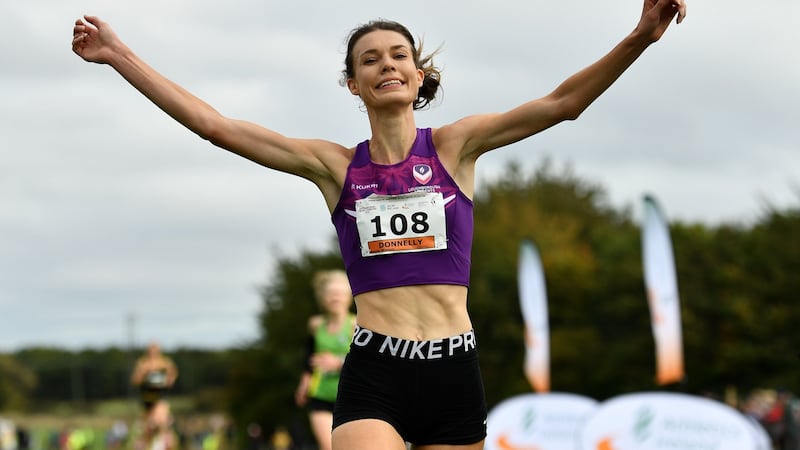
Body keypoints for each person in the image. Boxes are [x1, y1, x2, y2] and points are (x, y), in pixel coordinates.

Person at [72, 1, 687, 448]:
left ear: (418, 76)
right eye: (370, 60)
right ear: (353, 83)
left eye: (399, 56)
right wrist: (119, 55)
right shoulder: (335, 167)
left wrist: (640, 37)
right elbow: (218, 127)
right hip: (376, 371)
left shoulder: (455, 148)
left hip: (454, 371)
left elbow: (563, 104)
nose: (386, 65)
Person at [294, 270, 356, 450]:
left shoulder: (356, 324)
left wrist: (338, 363)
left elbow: (367, 361)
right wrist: (304, 382)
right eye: (330, 293)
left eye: (339, 293)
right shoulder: (315, 324)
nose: (335, 297)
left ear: (349, 296)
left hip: (350, 396)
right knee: (329, 446)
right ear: (322, 298)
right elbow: (309, 357)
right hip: (320, 394)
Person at [130, 341, 179, 448]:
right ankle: (142, 445)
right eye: (151, 350)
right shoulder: (143, 363)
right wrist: (143, 373)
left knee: (161, 422)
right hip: (147, 399)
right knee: (149, 429)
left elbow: (173, 374)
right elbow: (135, 380)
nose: (153, 353)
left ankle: (165, 444)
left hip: (160, 397)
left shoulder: (165, 363)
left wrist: (168, 380)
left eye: (155, 350)